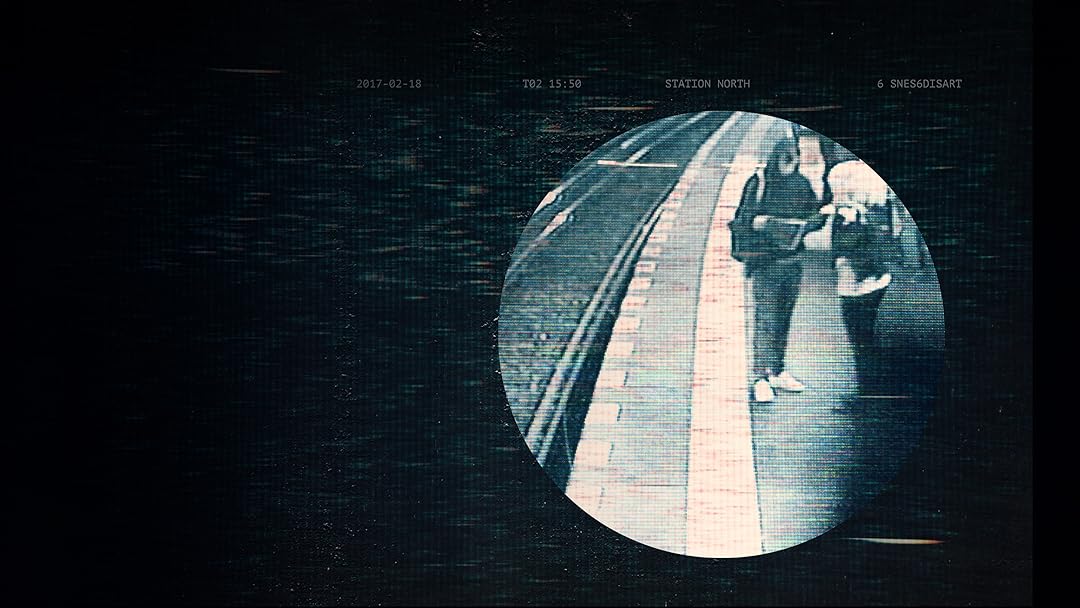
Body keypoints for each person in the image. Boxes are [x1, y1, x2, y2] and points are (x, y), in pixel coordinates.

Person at [730, 134, 825, 403]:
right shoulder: (759, 183)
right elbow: (742, 220)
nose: (789, 164)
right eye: (786, 159)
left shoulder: (801, 183)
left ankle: (778, 371)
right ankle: (760, 378)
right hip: (765, 263)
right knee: (766, 320)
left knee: (784, 319)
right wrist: (761, 223)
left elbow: (813, 215)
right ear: (776, 158)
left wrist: (810, 223)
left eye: (793, 159)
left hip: (793, 262)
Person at [822, 160, 900, 394]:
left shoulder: (852, 216)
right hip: (877, 279)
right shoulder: (881, 210)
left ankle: (868, 386)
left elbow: (847, 247)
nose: (835, 193)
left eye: (838, 188)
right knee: (869, 336)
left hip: (857, 283)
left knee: (860, 337)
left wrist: (848, 222)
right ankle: (871, 383)